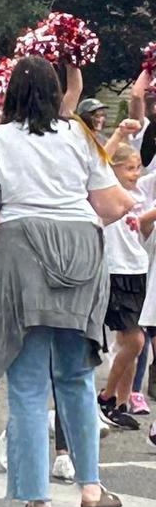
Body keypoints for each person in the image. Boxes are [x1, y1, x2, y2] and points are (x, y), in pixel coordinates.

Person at [0, 56, 132, 507]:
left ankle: (38, 501)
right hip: (80, 246)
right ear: (56, 94)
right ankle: (91, 487)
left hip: (22, 248)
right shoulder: (79, 134)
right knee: (76, 375)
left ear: (10, 94)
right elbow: (111, 204)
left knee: (29, 383)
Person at [96, 144, 149, 430]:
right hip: (116, 270)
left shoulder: (141, 193)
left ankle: (121, 402)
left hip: (138, 268)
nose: (135, 173)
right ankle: (106, 395)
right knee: (135, 340)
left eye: (138, 167)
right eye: (129, 168)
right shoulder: (107, 194)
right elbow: (100, 157)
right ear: (113, 168)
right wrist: (119, 135)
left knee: (131, 344)